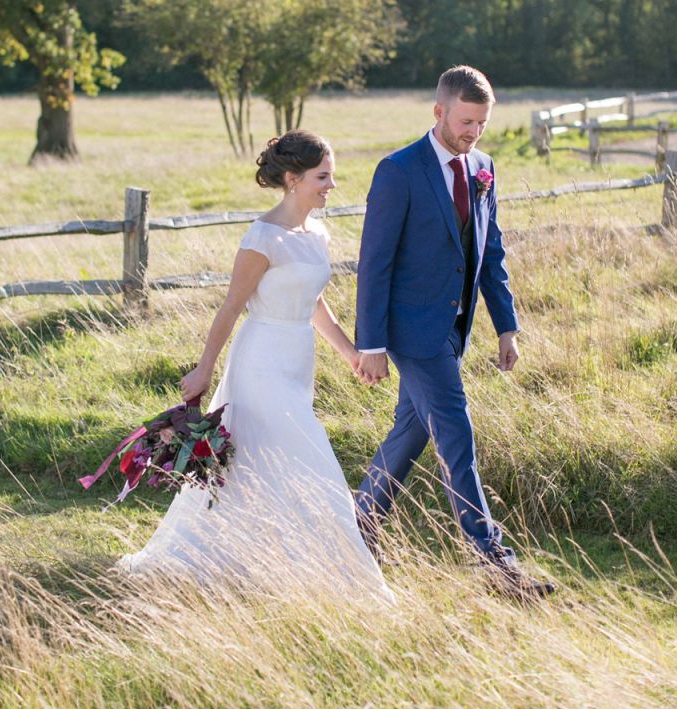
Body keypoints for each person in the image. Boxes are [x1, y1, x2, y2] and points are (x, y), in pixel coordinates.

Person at [117, 130, 394, 603]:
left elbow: (313, 303)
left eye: (332, 176)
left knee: (260, 465)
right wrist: (204, 371)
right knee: (312, 459)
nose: (332, 186)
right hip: (260, 360)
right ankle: (351, 581)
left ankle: (261, 560)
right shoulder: (263, 236)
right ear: (292, 179)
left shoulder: (317, 233)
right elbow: (230, 307)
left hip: (296, 360)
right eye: (322, 177)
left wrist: (349, 351)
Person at [354, 65, 554, 598]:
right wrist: (370, 343)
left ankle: (356, 527)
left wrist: (505, 326)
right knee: (456, 434)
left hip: (455, 328)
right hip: (410, 331)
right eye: (466, 121)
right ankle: (497, 564)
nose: (474, 133)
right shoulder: (398, 171)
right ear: (439, 112)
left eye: (482, 124)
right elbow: (373, 263)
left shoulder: (484, 167)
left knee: (410, 435)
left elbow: (491, 253)